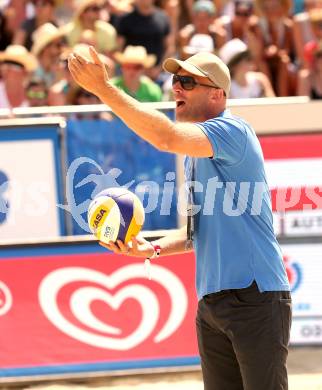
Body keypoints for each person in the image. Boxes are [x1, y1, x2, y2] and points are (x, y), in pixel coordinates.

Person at [68, 47, 292, 390]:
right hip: (211, 303)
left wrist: (103, 89)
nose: (176, 89)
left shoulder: (233, 131)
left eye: (187, 82)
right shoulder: (194, 156)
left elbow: (165, 137)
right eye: (175, 80)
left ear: (217, 94)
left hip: (255, 296)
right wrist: (151, 249)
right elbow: (193, 234)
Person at [0, 44, 37, 108]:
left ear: (24, 71)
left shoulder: (34, 93)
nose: (6, 69)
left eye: (13, 66)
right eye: (4, 64)